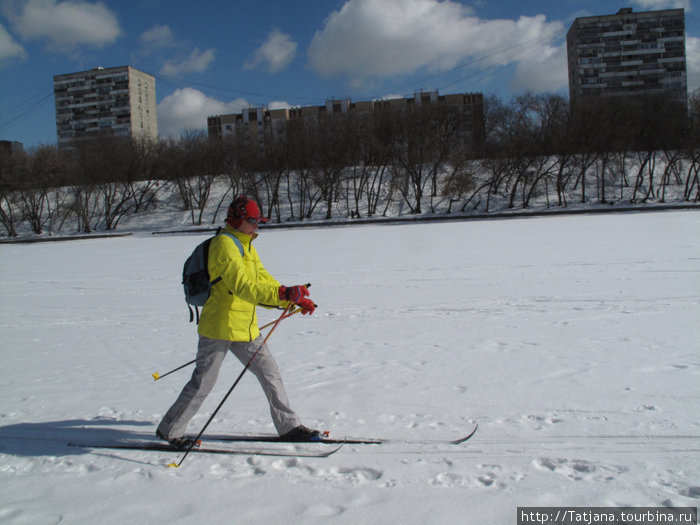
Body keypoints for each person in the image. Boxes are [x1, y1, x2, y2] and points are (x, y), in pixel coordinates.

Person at [157, 195, 319, 448]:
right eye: (253, 221)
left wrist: (291, 298)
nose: (257, 226)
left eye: (259, 221)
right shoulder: (224, 245)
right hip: (219, 327)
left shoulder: (247, 246)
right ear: (237, 220)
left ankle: (289, 427)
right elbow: (243, 286)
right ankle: (170, 430)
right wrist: (284, 294)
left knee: (270, 375)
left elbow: (264, 281)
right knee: (203, 383)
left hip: (245, 328)